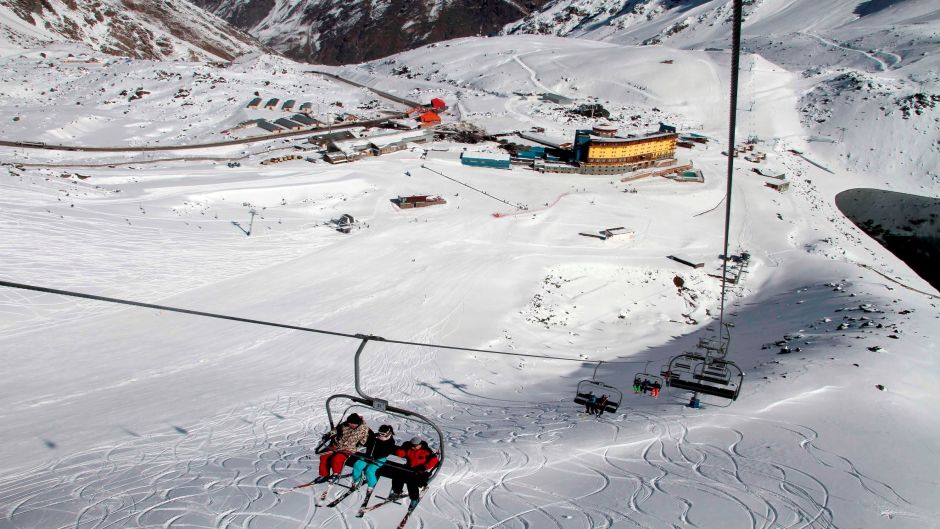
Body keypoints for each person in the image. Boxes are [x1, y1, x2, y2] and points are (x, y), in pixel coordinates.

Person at [387, 436, 439, 509]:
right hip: (409, 468)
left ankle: (414, 498)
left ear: (420, 445)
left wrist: (424, 467)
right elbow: (400, 454)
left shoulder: (426, 450)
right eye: (412, 446)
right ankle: (396, 492)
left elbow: (434, 460)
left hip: (420, 471)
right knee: (398, 474)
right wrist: (403, 447)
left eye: (415, 446)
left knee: (411, 481)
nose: (413, 447)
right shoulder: (409, 449)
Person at [317, 413, 369, 483]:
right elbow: (336, 430)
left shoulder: (363, 428)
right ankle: (324, 475)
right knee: (324, 456)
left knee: (337, 459)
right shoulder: (346, 424)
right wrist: (328, 434)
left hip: (348, 448)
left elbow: (365, 437)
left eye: (351, 424)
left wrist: (360, 443)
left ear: (356, 423)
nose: (349, 425)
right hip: (336, 445)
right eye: (349, 423)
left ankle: (336, 474)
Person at [351, 424, 396, 491]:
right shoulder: (375, 437)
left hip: (379, 458)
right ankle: (356, 480)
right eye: (379, 433)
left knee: (369, 470)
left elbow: (385, 453)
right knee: (357, 465)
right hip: (368, 456)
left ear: (388, 433)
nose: (380, 435)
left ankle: (371, 485)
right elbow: (367, 442)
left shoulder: (391, 441)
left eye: (382, 434)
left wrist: (375, 458)